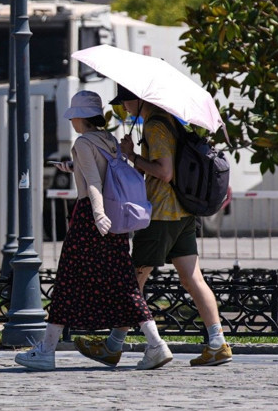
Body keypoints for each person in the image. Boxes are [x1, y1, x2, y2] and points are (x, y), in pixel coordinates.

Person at [77, 84, 232, 368]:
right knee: (191, 278)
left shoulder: (156, 126)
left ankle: (118, 347)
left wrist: (132, 156)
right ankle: (217, 343)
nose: (123, 108)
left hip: (161, 215)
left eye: (125, 102)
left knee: (133, 280)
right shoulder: (169, 120)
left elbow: (164, 172)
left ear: (138, 99)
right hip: (183, 214)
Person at [15, 91, 171, 370]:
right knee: (124, 284)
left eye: (74, 114)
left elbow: (95, 183)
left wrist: (97, 215)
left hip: (91, 218)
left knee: (66, 282)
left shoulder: (83, 142)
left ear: (80, 117)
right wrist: (72, 168)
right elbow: (101, 170)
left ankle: (46, 351)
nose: (72, 119)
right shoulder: (108, 139)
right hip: (116, 219)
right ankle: (156, 345)